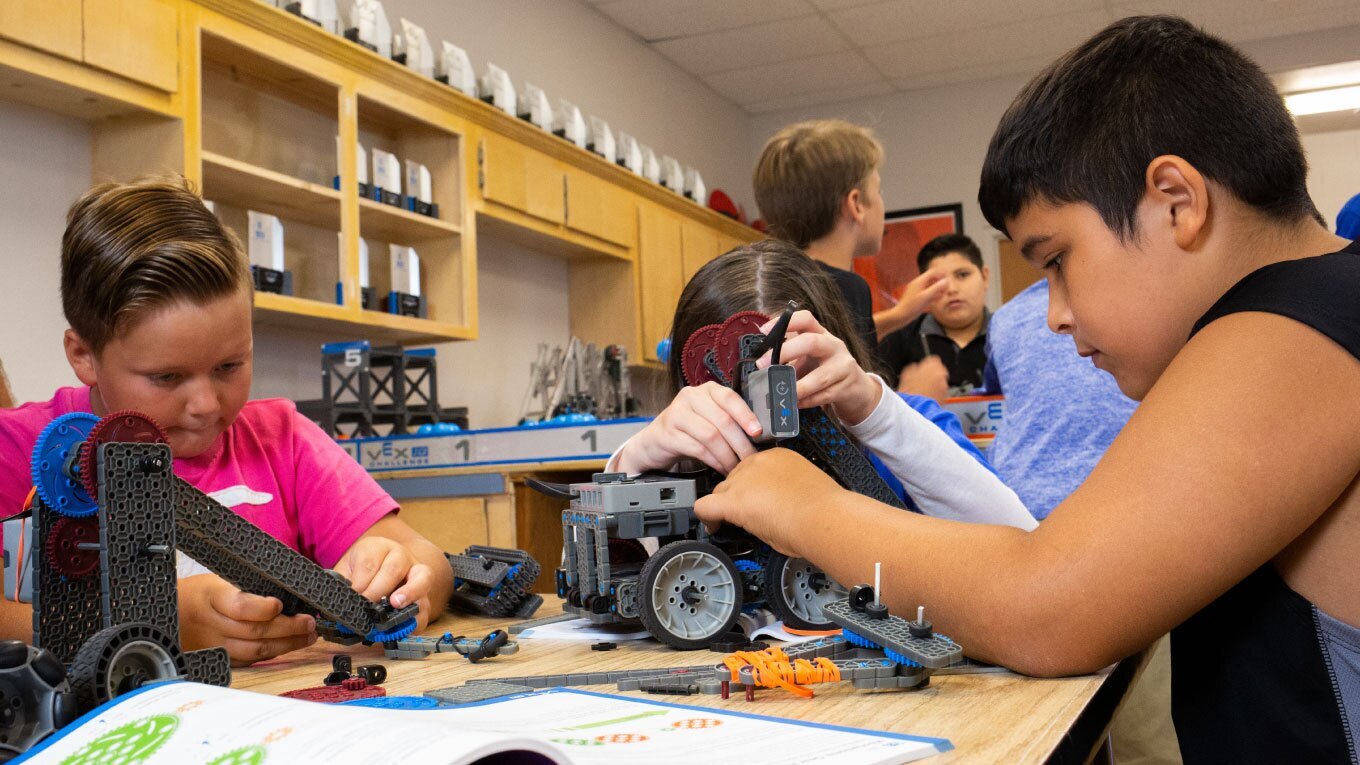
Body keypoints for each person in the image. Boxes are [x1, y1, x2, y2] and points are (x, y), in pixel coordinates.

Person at [694, 16, 1360, 762]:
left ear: (1177, 200)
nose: (1054, 316)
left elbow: (1047, 605)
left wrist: (800, 504)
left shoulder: (1298, 322)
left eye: (1057, 260)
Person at [0, 177, 454, 665]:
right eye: (167, 376)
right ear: (84, 355)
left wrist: (403, 576)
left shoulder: (285, 439)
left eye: (229, 367)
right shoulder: (18, 449)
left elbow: (430, 563)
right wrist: (163, 621)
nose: (205, 405)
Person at [609, 239, 1036, 531]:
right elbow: (628, 571)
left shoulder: (907, 426)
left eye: (792, 363)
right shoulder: (682, 450)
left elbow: (1019, 542)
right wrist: (633, 461)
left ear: (836, 346)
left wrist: (874, 412)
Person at [753, 120, 948, 358]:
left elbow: (840, 342)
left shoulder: (775, 279)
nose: (881, 201)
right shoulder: (848, 288)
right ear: (856, 204)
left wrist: (900, 315)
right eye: (879, 191)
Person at [983, 279, 1138, 521]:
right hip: (1118, 505)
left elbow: (994, 387)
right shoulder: (1133, 303)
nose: (1054, 321)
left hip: (1019, 503)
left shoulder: (1005, 316)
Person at [879, 233, 991, 400]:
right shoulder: (897, 339)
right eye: (937, 282)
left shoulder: (1008, 333)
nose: (951, 289)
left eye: (962, 275)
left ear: (985, 277)